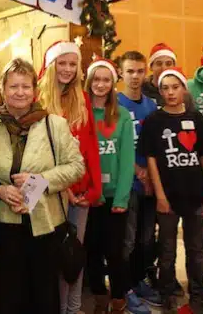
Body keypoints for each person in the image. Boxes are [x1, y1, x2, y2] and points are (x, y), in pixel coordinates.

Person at [0, 57, 84, 314]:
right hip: (4, 226)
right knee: (9, 295)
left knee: (44, 295)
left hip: (46, 226)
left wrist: (41, 181)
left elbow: (77, 166)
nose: (20, 92)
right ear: (3, 89)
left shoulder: (54, 125)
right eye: (13, 86)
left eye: (26, 86)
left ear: (35, 91)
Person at [139, 67, 203, 314]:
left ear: (184, 89)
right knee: (167, 250)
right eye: (165, 88)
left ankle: (198, 294)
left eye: (175, 87)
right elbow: (151, 160)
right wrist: (160, 196)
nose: (170, 93)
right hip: (168, 198)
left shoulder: (197, 120)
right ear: (160, 91)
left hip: (195, 195)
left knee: (196, 250)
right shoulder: (153, 122)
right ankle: (167, 292)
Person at [37, 41, 102, 314]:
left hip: (80, 193)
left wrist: (95, 187)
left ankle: (73, 309)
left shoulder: (82, 99)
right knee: (52, 258)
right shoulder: (38, 100)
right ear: (51, 65)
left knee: (74, 256)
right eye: (61, 63)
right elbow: (39, 154)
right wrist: (63, 188)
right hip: (51, 193)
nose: (67, 69)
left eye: (72, 64)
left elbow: (90, 146)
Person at [84, 59, 135, 314]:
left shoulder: (122, 116)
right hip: (89, 196)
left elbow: (127, 160)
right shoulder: (82, 114)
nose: (101, 85)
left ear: (113, 83)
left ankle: (118, 297)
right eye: (96, 79)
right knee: (91, 250)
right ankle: (98, 295)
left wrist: (121, 199)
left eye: (106, 80)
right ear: (89, 82)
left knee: (115, 252)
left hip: (115, 197)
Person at [117, 51, 162, 314]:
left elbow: (154, 144)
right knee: (127, 240)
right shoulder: (115, 103)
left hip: (149, 183)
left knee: (147, 239)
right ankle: (125, 288)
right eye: (130, 71)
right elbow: (114, 146)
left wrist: (151, 176)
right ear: (121, 74)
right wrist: (137, 170)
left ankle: (139, 280)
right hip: (127, 183)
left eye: (139, 71)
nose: (135, 76)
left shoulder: (151, 105)